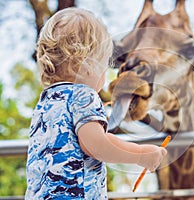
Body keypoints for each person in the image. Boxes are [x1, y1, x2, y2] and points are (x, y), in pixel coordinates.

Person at [25, 7, 167, 200]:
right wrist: (141, 154)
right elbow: (96, 144)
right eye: (105, 63)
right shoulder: (84, 95)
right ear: (89, 64)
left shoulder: (46, 101)